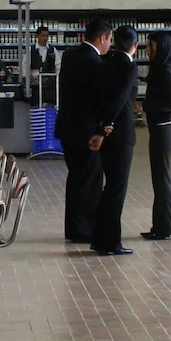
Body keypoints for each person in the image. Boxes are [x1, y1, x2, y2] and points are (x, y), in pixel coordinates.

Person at [56, 18, 112, 244]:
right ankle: (84, 230)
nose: (109, 44)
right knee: (90, 180)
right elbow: (98, 98)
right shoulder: (96, 63)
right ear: (102, 38)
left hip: (68, 128)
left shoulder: (70, 55)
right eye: (109, 39)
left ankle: (74, 227)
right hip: (87, 131)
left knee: (76, 178)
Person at [91, 24, 140, 255]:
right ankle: (111, 242)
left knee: (108, 186)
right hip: (120, 134)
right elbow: (119, 101)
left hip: (106, 131)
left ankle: (99, 239)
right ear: (135, 46)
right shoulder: (128, 67)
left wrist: (100, 127)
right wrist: (106, 126)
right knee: (117, 189)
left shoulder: (104, 63)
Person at [141, 33, 171, 241]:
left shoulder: (167, 71)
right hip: (159, 127)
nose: (148, 49)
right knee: (159, 178)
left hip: (165, 128)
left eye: (151, 45)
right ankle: (160, 225)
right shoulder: (160, 69)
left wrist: (145, 106)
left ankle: (166, 227)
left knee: (162, 178)